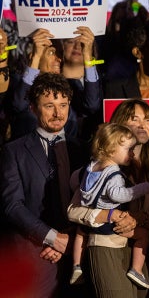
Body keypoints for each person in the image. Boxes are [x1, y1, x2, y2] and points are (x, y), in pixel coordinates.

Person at [67, 99, 149, 298]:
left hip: (145, 254)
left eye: (148, 120)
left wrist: (140, 219)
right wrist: (110, 215)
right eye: (135, 119)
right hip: (106, 245)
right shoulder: (97, 168)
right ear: (118, 126)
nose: (143, 125)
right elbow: (73, 211)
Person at [1, 72, 89, 297]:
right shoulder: (13, 151)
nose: (58, 113)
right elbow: (12, 206)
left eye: (63, 104)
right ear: (32, 108)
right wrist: (54, 239)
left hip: (77, 254)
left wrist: (69, 240)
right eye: (49, 105)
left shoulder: (82, 150)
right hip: (34, 256)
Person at [69, 123, 149, 288]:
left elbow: (75, 184)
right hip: (109, 226)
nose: (132, 153)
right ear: (112, 149)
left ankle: (77, 266)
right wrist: (143, 188)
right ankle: (136, 269)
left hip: (90, 224)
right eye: (129, 149)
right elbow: (119, 195)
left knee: (80, 232)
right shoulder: (114, 173)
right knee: (142, 235)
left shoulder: (91, 167)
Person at [10, 27, 101, 141]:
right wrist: (35, 57)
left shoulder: (71, 85)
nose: (58, 59)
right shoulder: (20, 82)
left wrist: (87, 56)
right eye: (52, 52)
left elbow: (92, 105)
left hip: (64, 153)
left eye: (60, 54)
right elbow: (19, 105)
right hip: (28, 154)